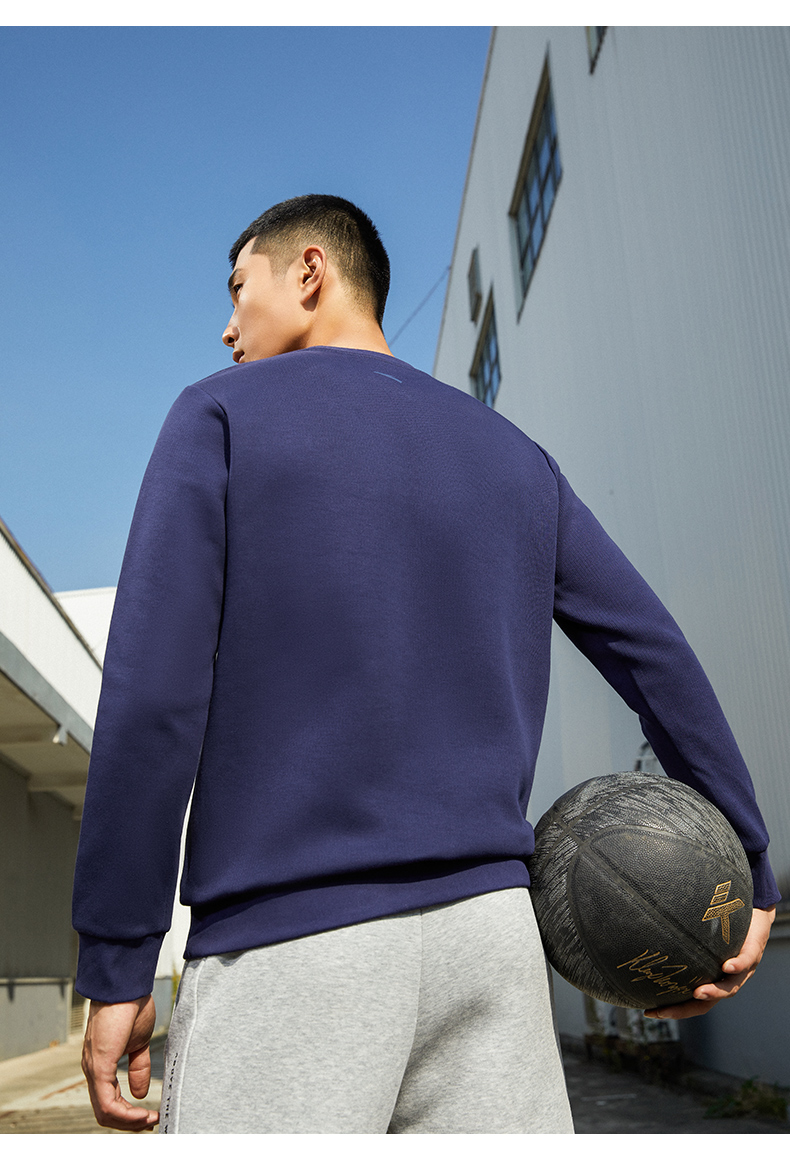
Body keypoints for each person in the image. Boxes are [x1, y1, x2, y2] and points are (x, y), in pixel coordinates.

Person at [73, 194, 779, 1134]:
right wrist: (747, 867)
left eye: (239, 288)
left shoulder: (219, 415)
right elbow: (652, 651)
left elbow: (152, 698)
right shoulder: (516, 458)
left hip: (294, 948)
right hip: (492, 950)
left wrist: (119, 955)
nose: (227, 326)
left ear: (310, 271)